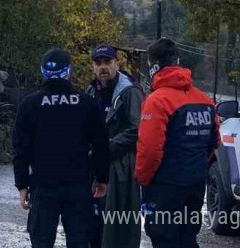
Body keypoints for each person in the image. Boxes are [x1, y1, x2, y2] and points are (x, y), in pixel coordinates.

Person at [12, 47, 110, 248]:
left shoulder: (29, 104)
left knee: (41, 241)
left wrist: (22, 185)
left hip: (43, 186)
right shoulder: (86, 103)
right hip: (78, 187)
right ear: (68, 71)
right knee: (79, 241)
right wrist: (102, 178)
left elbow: (20, 148)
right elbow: (101, 144)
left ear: (43, 71)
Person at [135, 38, 219, 248]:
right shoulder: (205, 100)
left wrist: (142, 179)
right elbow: (213, 142)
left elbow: (150, 150)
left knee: (164, 238)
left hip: (165, 185)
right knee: (188, 237)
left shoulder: (157, 100)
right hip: (196, 183)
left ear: (153, 65)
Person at [86, 45, 143, 248]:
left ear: (116, 64)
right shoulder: (91, 90)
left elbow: (137, 129)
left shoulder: (130, 91)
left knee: (119, 224)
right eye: (98, 63)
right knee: (94, 223)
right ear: (93, 66)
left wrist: (105, 148)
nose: (103, 67)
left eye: (107, 62)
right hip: (95, 166)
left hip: (121, 167)